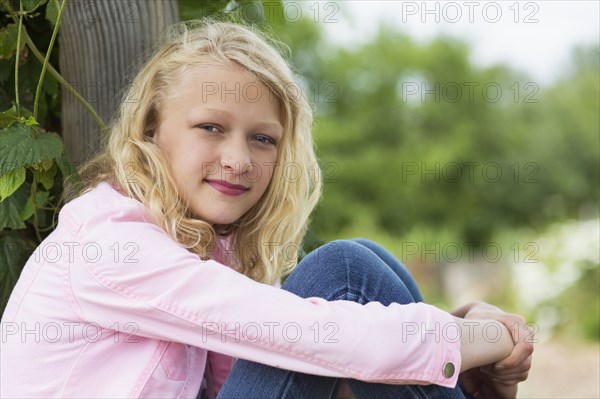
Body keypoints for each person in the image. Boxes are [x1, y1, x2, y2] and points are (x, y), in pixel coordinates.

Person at [0, 20, 533, 398]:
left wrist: (460, 335)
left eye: (262, 139)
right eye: (211, 127)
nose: (239, 160)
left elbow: (318, 366)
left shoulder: (201, 247)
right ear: (151, 130)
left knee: (363, 265)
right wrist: (492, 339)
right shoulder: (112, 243)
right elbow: (316, 334)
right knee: (346, 272)